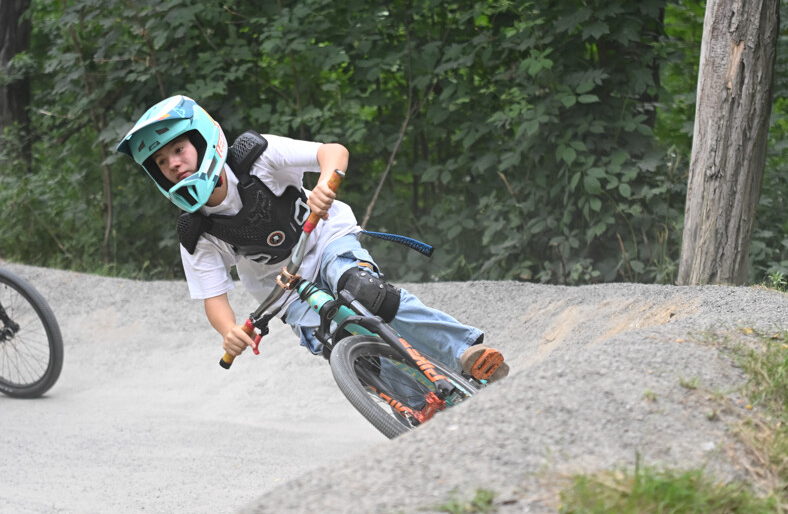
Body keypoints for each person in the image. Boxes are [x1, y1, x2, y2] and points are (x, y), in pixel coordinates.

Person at [115, 95, 508, 383]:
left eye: (178, 150)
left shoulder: (256, 156)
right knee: (338, 339)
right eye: (162, 163)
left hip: (324, 239)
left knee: (362, 291)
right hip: (283, 290)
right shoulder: (194, 230)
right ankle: (422, 406)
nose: (174, 164)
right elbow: (213, 299)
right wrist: (228, 331)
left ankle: (464, 352)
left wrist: (325, 184)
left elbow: (333, 152)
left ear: (202, 140)